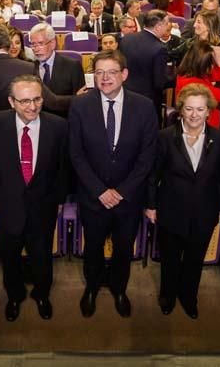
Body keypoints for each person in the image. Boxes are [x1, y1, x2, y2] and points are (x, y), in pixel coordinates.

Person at [68, 50, 157, 318]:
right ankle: (92, 287)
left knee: (122, 248)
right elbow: (75, 153)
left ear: (124, 75)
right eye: (99, 73)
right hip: (92, 197)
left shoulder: (144, 106)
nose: (105, 78)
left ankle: (119, 289)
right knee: (93, 246)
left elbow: (147, 156)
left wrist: (121, 192)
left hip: (127, 199)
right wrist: (99, 191)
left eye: (111, 72)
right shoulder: (80, 105)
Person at [0, 75, 70, 322]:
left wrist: (60, 199)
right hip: (7, 206)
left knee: (42, 255)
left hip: (44, 206)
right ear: (11, 102)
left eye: (37, 99)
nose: (32, 106)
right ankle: (14, 296)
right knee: (9, 257)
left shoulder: (59, 126)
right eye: (24, 101)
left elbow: (63, 168)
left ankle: (42, 295)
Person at [146, 84, 220, 318]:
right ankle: (168, 296)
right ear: (181, 110)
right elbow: (154, 174)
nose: (194, 115)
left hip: (205, 211)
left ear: (208, 111)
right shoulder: (164, 137)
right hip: (170, 209)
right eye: (189, 109)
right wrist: (151, 205)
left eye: (200, 109)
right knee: (170, 260)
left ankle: (189, 297)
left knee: (194, 260)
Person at [175, 39, 220, 128]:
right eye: (211, 64)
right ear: (203, 65)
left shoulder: (188, 73)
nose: (213, 67)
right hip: (205, 127)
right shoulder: (196, 85)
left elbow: (217, 75)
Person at [118, 10, 170, 113]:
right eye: (166, 23)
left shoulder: (127, 39)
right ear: (158, 26)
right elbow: (159, 83)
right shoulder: (159, 48)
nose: (168, 26)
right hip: (147, 101)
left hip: (124, 95)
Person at [29, 22, 85, 96]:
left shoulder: (72, 66)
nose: (36, 49)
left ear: (53, 44)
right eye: (33, 44)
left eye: (40, 44)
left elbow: (80, 98)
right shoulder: (29, 66)